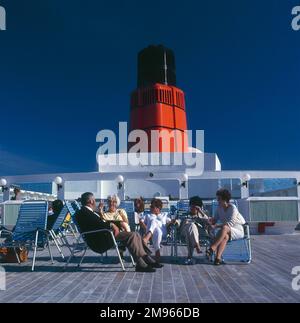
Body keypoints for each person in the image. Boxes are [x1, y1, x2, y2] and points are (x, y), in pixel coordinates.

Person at [75, 192, 162, 272]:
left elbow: (99, 223)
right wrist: (112, 225)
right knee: (132, 236)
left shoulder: (86, 212)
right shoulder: (84, 212)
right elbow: (99, 224)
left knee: (135, 234)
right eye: (94, 200)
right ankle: (143, 261)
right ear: (91, 201)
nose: (95, 202)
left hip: (104, 234)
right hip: (101, 240)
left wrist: (115, 224)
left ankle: (144, 259)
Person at [207, 189, 246, 265]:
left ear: (225, 199)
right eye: (217, 199)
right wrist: (210, 220)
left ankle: (213, 248)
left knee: (224, 228)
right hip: (227, 231)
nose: (218, 201)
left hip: (238, 230)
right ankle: (217, 259)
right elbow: (214, 220)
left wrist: (216, 225)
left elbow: (230, 224)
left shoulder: (233, 208)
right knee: (225, 237)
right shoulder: (219, 208)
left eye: (219, 199)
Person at [142, 198, 174, 263]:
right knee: (156, 227)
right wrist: (145, 228)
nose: (150, 208)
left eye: (152, 207)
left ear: (158, 208)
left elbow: (169, 223)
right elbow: (141, 222)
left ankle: (146, 238)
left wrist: (172, 222)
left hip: (162, 232)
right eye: (150, 206)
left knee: (155, 223)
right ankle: (157, 251)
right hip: (151, 232)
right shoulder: (147, 215)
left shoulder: (165, 215)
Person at [180, 196, 210, 265]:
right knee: (190, 225)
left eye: (195, 207)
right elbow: (179, 222)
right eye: (191, 206)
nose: (192, 208)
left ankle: (189, 256)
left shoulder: (203, 214)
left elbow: (208, 221)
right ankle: (197, 245)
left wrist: (200, 212)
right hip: (184, 231)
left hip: (198, 234)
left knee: (190, 231)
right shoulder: (185, 214)